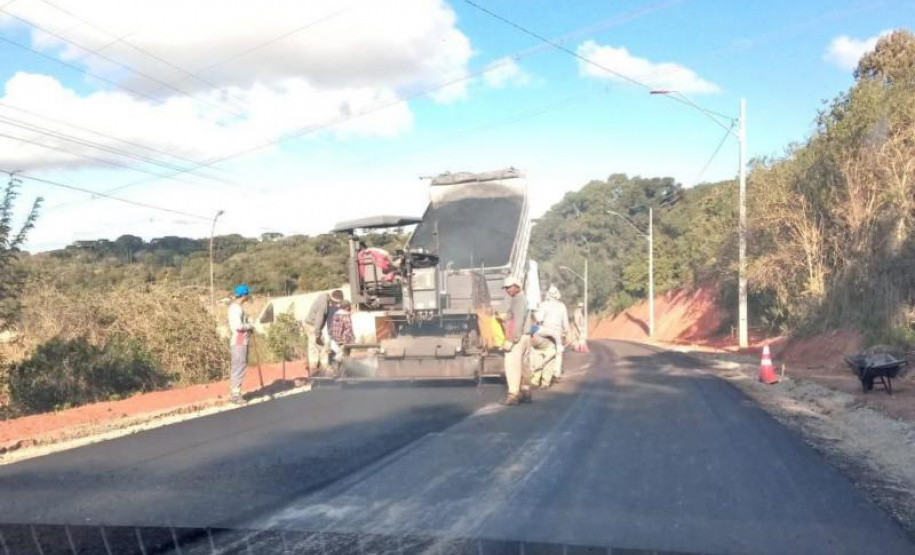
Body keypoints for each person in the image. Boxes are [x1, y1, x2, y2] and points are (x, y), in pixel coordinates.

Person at [500, 276, 532, 406]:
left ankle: (513, 395)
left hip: (518, 338)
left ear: (517, 286)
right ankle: (526, 392)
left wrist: (512, 340)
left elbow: (518, 321)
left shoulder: (518, 300)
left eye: (509, 287)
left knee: (512, 365)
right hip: (526, 337)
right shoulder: (522, 299)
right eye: (506, 288)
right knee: (524, 367)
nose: (507, 290)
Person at [304, 289, 344, 375]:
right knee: (314, 347)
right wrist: (317, 332)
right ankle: (315, 369)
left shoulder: (325, 297)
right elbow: (319, 318)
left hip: (314, 325)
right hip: (312, 326)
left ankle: (323, 367)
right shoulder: (323, 304)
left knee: (321, 346)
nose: (336, 305)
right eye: (336, 302)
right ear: (333, 299)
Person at [227, 284, 254, 404]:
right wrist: (249, 326)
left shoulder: (236, 307)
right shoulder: (236, 308)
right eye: (247, 294)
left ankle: (235, 392)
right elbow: (238, 326)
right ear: (244, 295)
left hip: (240, 340)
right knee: (239, 366)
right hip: (239, 340)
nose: (248, 296)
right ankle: (235, 395)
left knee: (238, 366)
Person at [538, 285, 571, 381]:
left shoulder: (543, 305)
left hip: (545, 332)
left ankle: (542, 371)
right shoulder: (562, 306)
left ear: (548, 295)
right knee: (559, 352)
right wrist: (567, 333)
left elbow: (539, 319)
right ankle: (556, 373)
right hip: (558, 333)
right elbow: (565, 323)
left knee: (543, 351)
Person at [530, 312, 560, 389]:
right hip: (537, 349)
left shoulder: (540, 330)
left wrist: (559, 346)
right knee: (537, 365)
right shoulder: (526, 334)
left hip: (549, 347)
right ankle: (534, 382)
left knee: (548, 365)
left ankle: (545, 383)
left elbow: (554, 334)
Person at [329, 300, 355, 371]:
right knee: (344, 357)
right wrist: (352, 340)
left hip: (335, 340)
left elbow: (332, 328)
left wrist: (335, 339)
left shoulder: (335, 315)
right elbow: (348, 329)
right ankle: (343, 374)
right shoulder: (346, 315)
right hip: (344, 341)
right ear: (347, 307)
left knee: (338, 355)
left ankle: (336, 372)